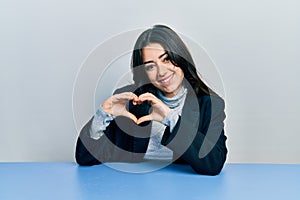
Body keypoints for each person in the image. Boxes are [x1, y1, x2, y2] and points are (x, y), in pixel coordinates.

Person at [75, 25, 227, 175]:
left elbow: (213, 164)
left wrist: (171, 119)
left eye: (166, 59)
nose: (161, 72)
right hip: (134, 186)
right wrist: (102, 115)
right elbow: (84, 157)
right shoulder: (131, 100)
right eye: (150, 67)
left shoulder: (210, 104)